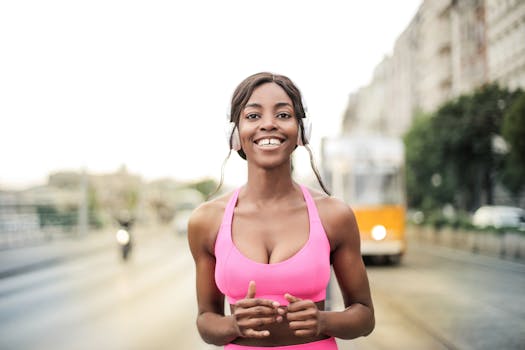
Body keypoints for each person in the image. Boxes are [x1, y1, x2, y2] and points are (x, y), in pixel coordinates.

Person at [187, 72, 374, 349]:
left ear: (301, 130)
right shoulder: (206, 220)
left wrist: (324, 322)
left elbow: (364, 316)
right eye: (253, 116)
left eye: (283, 115)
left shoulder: (333, 215)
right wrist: (233, 325)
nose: (269, 125)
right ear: (235, 134)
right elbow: (205, 320)